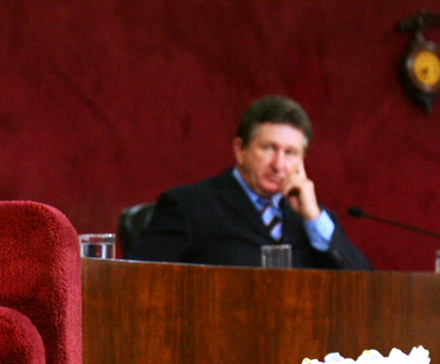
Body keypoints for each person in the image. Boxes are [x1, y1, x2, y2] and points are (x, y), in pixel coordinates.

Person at [129, 95, 371, 269]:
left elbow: (365, 284)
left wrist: (313, 218)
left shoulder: (313, 219)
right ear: (240, 149)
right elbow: (139, 279)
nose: (279, 164)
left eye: (291, 153)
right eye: (268, 148)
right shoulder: (189, 206)